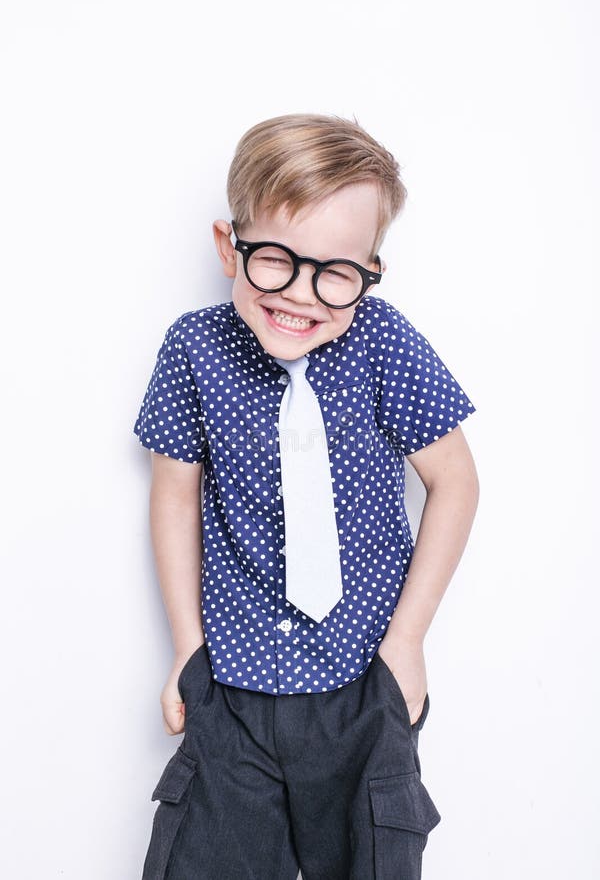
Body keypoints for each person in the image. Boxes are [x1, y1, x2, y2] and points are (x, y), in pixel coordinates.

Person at [133, 113, 479, 880]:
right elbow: (174, 497)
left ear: (371, 271)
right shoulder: (194, 349)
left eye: (336, 272)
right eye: (275, 261)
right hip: (233, 691)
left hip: (363, 687)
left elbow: (454, 480)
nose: (301, 295)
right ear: (230, 245)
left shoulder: (383, 342)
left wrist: (408, 642)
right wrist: (188, 651)